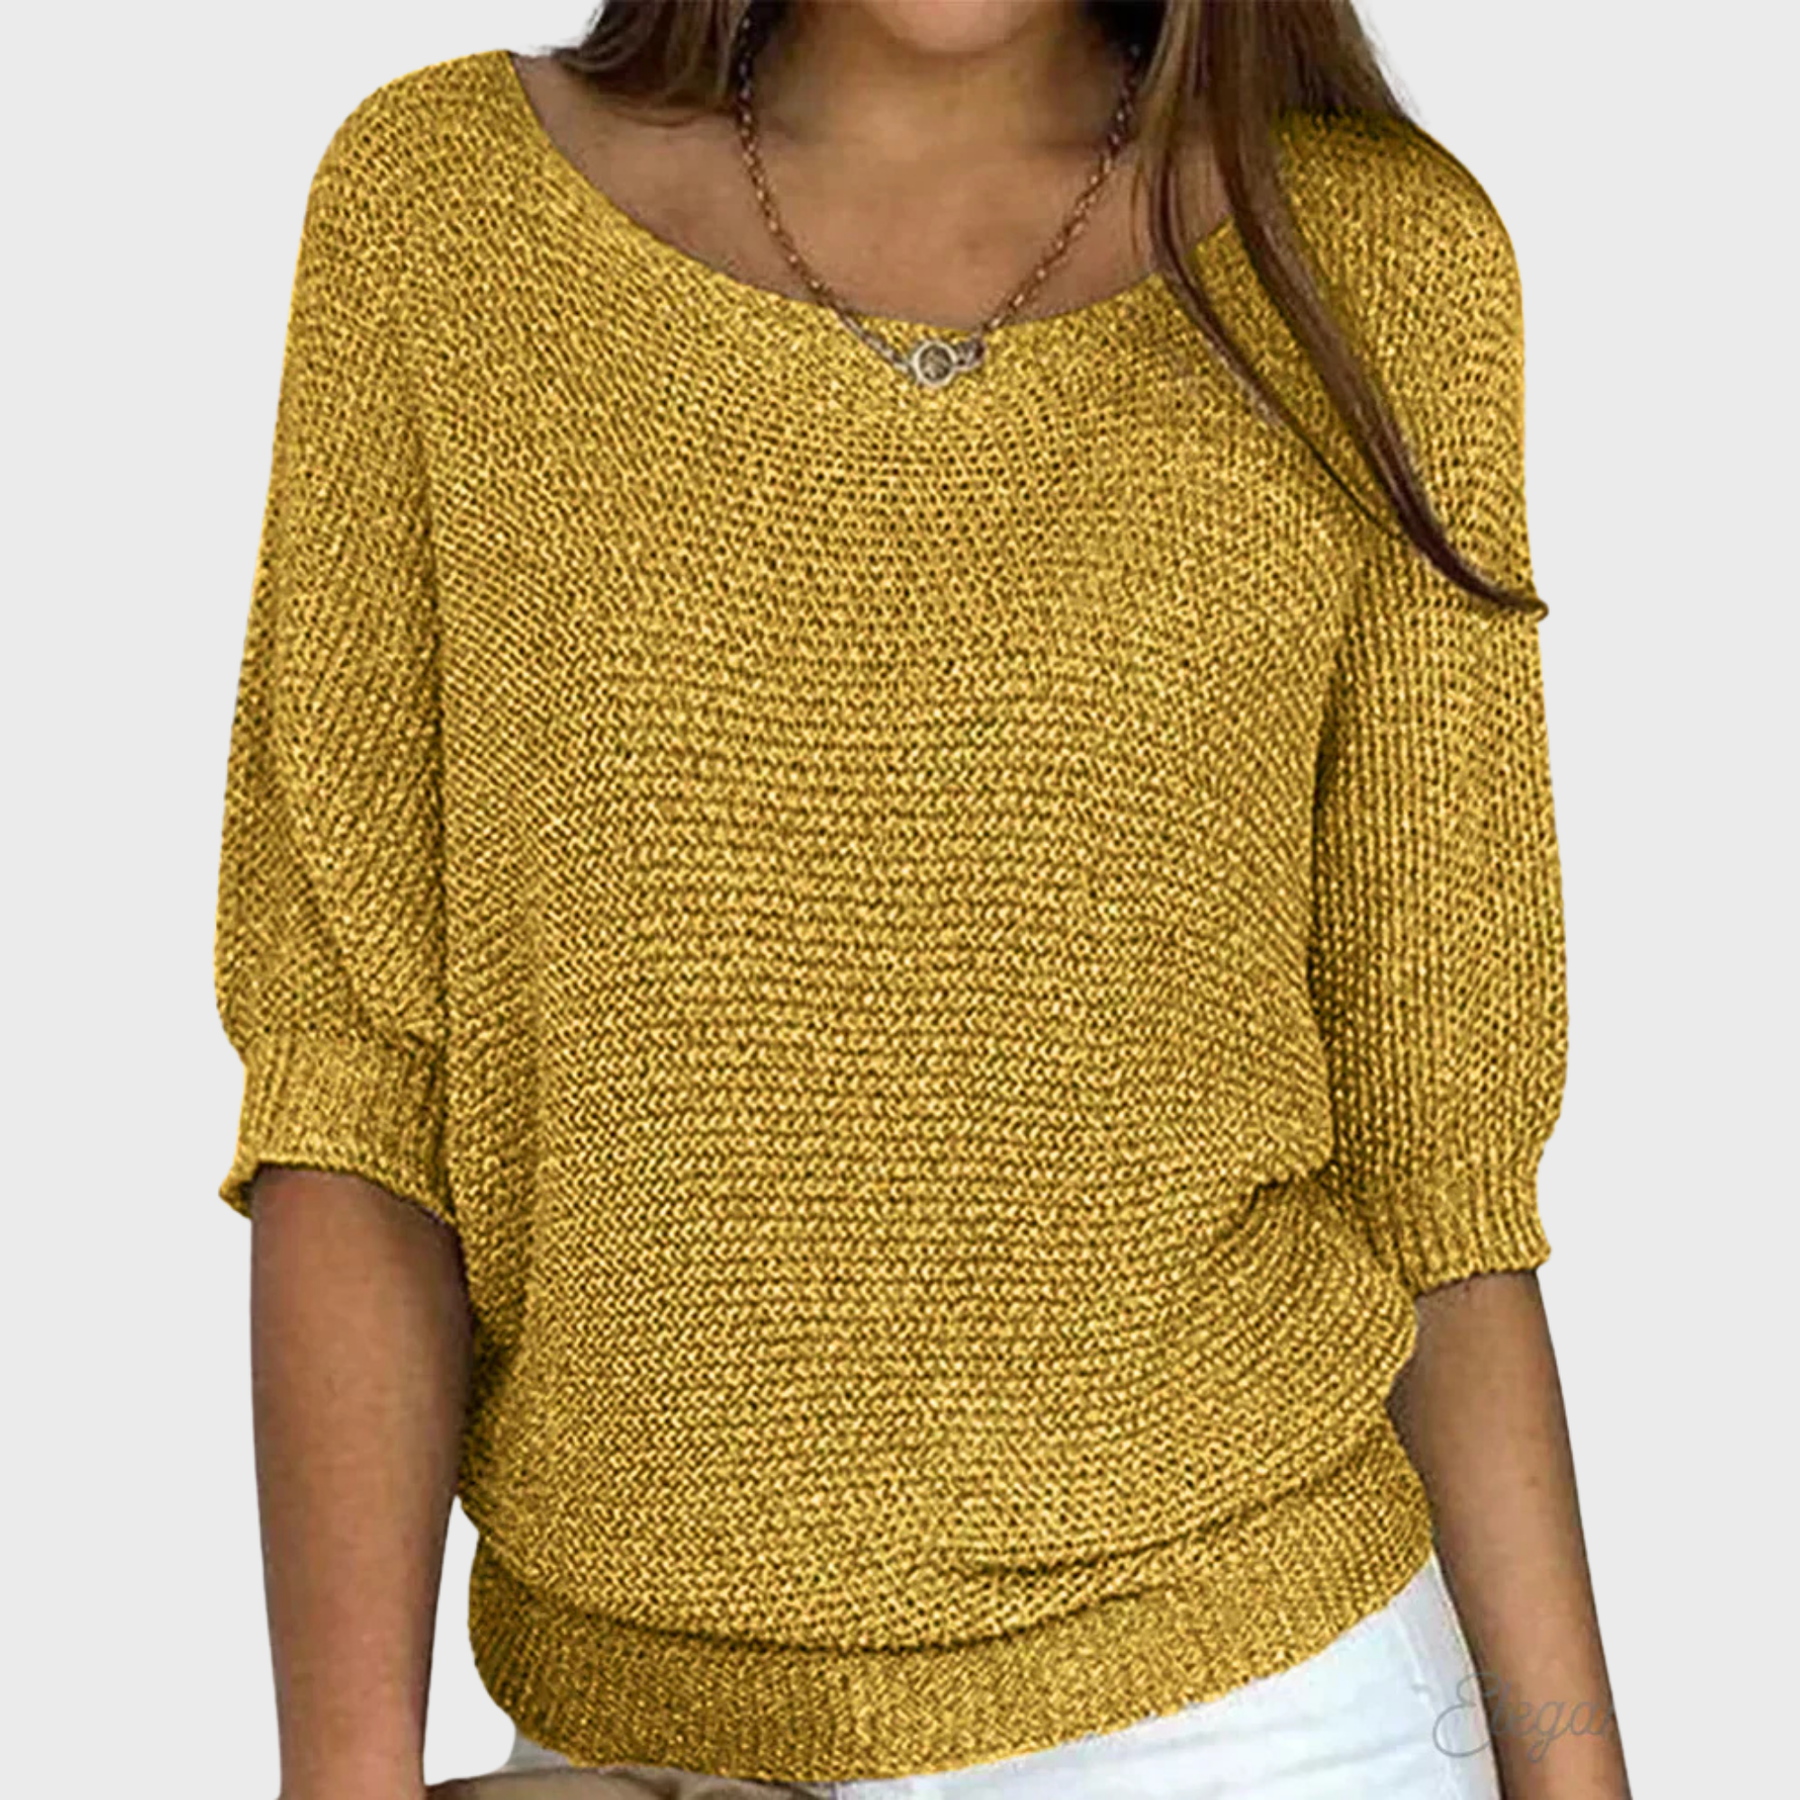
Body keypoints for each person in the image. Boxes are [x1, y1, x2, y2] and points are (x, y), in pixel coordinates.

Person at [212, 4, 1633, 1798]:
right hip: (625, 1745)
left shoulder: (1372, 267)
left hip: (1266, 1722)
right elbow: (352, 1087)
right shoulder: (444, 217)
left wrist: (1572, 1768)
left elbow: (1443, 1186)